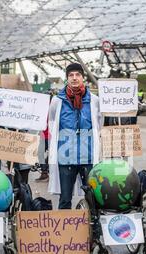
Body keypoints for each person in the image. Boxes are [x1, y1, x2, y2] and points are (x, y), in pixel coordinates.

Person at [48, 63, 102, 209]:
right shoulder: (57, 100)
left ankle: (93, 228)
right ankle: (65, 228)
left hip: (88, 155)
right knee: (65, 197)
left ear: (83, 78)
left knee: (92, 196)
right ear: (67, 78)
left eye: (77, 75)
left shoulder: (94, 100)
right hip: (65, 156)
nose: (74, 78)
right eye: (71, 75)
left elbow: (99, 124)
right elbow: (52, 123)